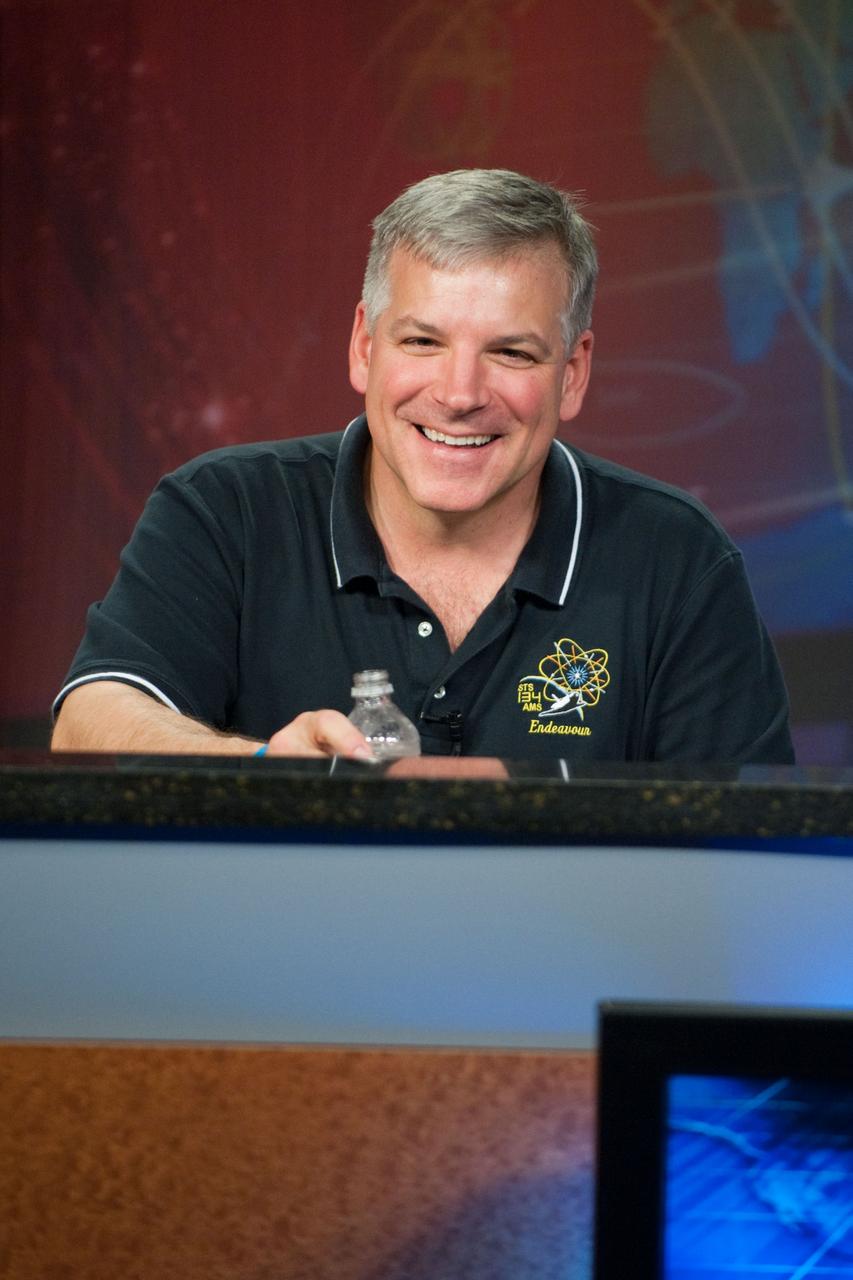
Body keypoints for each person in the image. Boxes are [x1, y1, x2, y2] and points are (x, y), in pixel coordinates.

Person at [51, 168, 794, 762]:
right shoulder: (223, 510)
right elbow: (92, 719)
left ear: (572, 373)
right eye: (421, 342)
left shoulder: (677, 559)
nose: (459, 394)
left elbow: (746, 851)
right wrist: (263, 769)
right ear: (363, 347)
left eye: (510, 352)